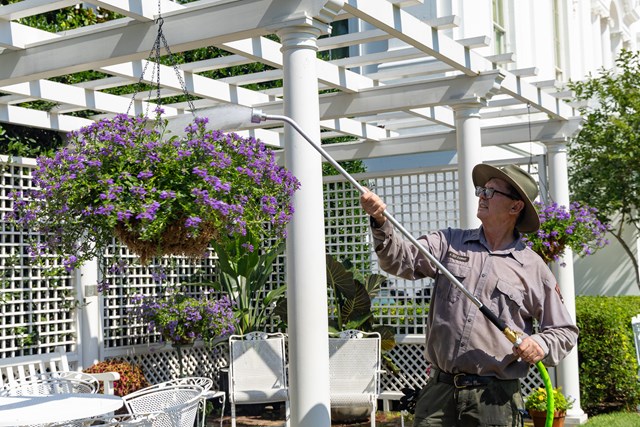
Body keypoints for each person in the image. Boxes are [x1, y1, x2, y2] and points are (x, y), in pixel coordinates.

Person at [360, 163, 578, 427]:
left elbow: (564, 331)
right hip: (438, 393)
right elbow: (400, 261)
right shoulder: (447, 242)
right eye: (481, 190)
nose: (482, 196)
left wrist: (540, 344)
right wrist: (380, 221)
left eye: (491, 192)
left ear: (515, 207)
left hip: (494, 399)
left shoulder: (534, 268)